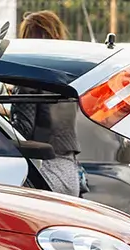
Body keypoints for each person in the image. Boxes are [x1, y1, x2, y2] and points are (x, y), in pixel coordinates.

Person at [10, 10, 86, 197]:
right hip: (69, 173)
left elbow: (22, 131)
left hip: (43, 174)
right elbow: (49, 117)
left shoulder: (28, 78)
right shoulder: (66, 77)